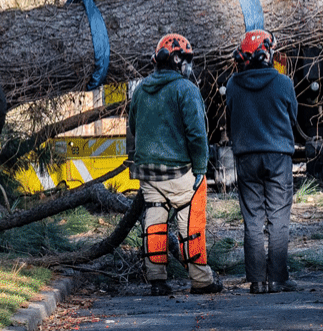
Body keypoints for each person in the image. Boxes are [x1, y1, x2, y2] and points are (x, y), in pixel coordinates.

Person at [127, 33, 222, 296]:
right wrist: (201, 168)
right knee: (191, 219)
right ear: (178, 60)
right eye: (187, 61)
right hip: (179, 171)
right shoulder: (186, 89)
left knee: (155, 219)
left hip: (147, 171)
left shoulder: (141, 89)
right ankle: (201, 280)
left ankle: (157, 279)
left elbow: (133, 127)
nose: (188, 66)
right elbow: (196, 134)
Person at [225, 30, 299, 294]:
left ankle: (256, 281)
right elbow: (293, 118)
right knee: (278, 217)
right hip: (278, 156)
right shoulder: (284, 83)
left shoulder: (234, 84)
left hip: (246, 157)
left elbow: (229, 120)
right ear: (267, 54)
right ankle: (278, 279)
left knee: (253, 219)